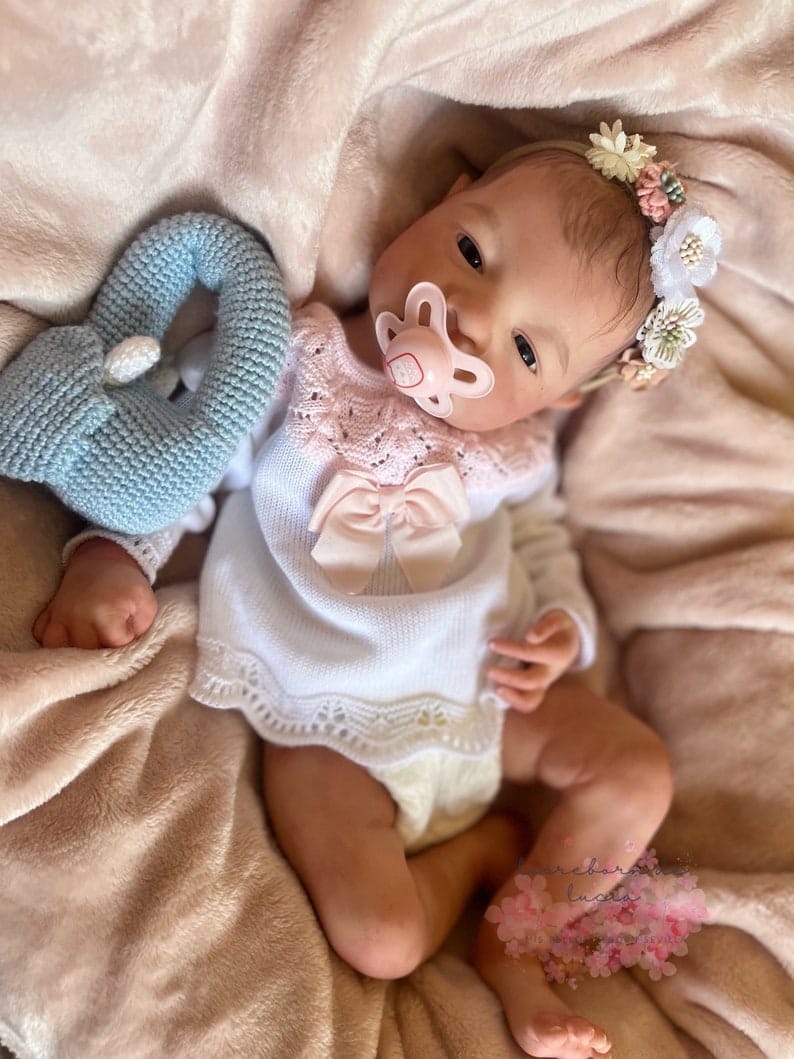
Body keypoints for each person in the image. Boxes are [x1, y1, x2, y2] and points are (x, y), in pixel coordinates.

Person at [34, 121, 720, 1058]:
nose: (469, 317)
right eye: (472, 252)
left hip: (487, 697)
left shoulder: (513, 447)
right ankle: (477, 857)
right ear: (447, 198)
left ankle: (518, 942)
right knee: (382, 937)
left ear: (557, 400)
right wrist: (117, 552)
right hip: (325, 715)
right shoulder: (294, 362)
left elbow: (540, 535)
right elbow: (194, 458)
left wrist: (562, 627)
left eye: (526, 350)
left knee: (638, 772)